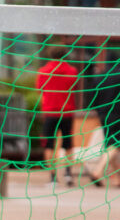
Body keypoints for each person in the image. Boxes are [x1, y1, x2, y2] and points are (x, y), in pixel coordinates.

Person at [36, 44, 80, 186]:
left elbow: (40, 90)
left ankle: (53, 177)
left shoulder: (44, 71)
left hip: (50, 111)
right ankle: (68, 174)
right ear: (65, 54)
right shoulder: (72, 71)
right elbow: (74, 87)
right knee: (68, 143)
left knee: (49, 145)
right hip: (67, 112)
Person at [87, 53, 120, 185]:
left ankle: (117, 180)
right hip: (117, 114)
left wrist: (99, 111)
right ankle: (97, 171)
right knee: (114, 145)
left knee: (111, 145)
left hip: (103, 114)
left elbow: (92, 97)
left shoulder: (100, 76)